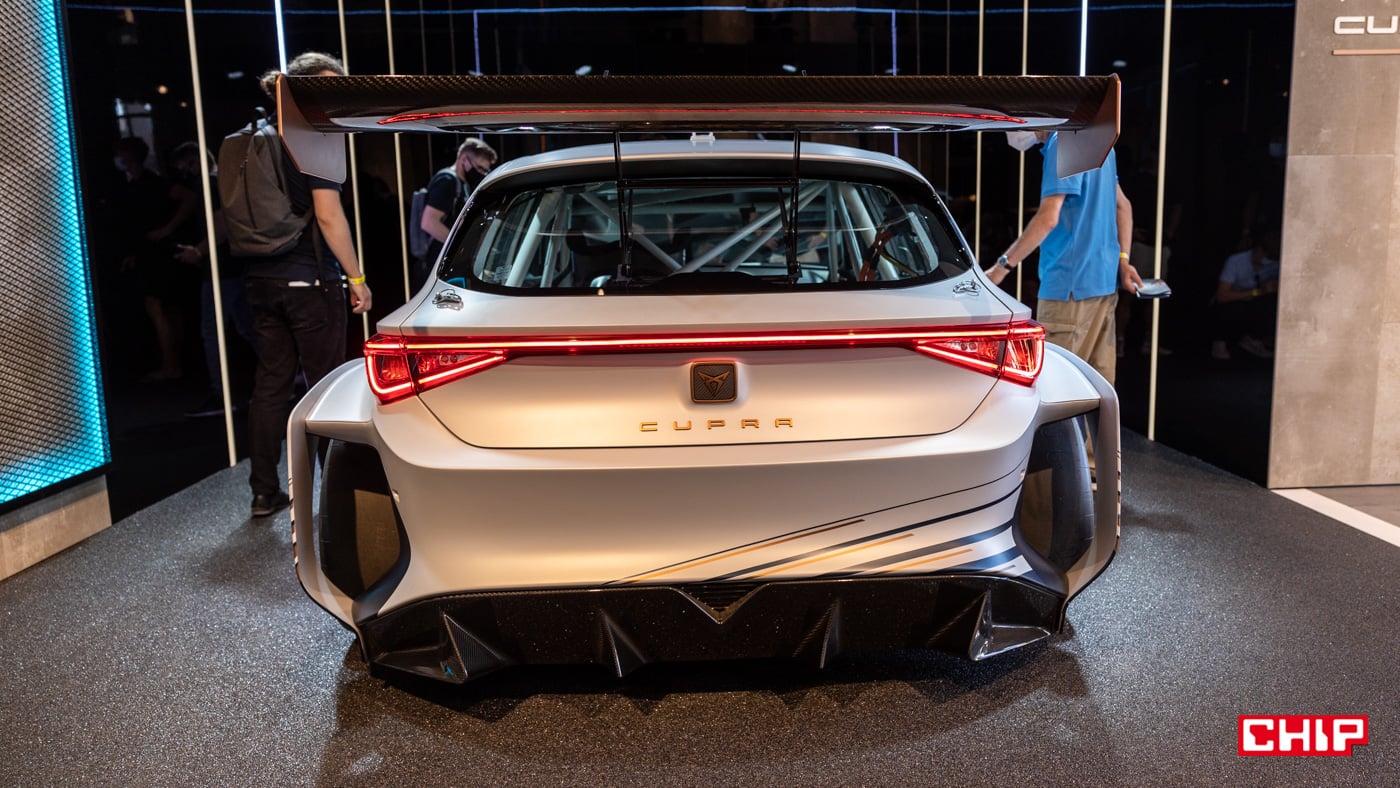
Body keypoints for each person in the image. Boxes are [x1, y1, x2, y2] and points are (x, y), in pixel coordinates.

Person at [241, 51, 372, 518]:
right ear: (304, 91)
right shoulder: (315, 138)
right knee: (326, 386)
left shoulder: (255, 137)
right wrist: (357, 278)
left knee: (270, 386)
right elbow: (328, 216)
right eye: (329, 88)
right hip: (311, 280)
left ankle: (263, 492)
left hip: (261, 279)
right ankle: (336, 495)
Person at [985, 131, 1142, 386]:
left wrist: (999, 269)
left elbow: (1048, 218)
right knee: (1098, 391)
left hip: (1069, 289)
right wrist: (1123, 260)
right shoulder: (1099, 140)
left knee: (1059, 390)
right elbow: (1123, 206)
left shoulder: (1062, 143)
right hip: (1103, 288)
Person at [169, 141, 257, 418]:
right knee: (248, 326)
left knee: (213, 331)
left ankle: (223, 395)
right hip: (236, 264)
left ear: (195, 162)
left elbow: (222, 226)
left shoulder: (212, 184)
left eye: (186, 168)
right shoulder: (224, 181)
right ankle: (285, 376)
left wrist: (198, 251)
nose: (186, 174)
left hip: (223, 268)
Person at [114, 136, 200, 383]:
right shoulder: (137, 184)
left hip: (157, 253)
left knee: (158, 307)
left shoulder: (152, 182)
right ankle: (176, 363)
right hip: (151, 251)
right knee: (167, 308)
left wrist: (168, 228)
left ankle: (171, 365)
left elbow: (189, 197)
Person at [414, 137, 497, 290]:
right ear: (464, 159)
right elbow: (429, 222)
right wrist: (458, 247)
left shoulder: (461, 183)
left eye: (484, 171)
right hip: (435, 266)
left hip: (445, 265)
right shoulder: (447, 181)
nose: (480, 173)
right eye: (479, 168)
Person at [1211, 232, 1280, 361]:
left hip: (1256, 304)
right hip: (1232, 302)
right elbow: (1222, 295)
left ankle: (1254, 339)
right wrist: (1256, 292)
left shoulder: (1275, 265)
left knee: (1273, 303)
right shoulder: (1236, 261)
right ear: (1259, 250)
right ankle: (1220, 340)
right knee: (1228, 308)